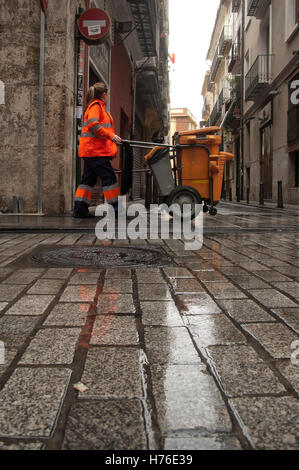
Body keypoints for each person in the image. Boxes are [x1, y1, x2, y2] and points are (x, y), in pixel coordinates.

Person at [73, 82, 122, 218]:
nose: (108, 97)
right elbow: (93, 125)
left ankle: (80, 209)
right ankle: (116, 209)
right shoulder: (96, 106)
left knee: (87, 181)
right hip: (96, 152)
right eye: (107, 94)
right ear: (104, 94)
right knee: (109, 178)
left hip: (91, 151)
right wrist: (111, 136)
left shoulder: (96, 107)